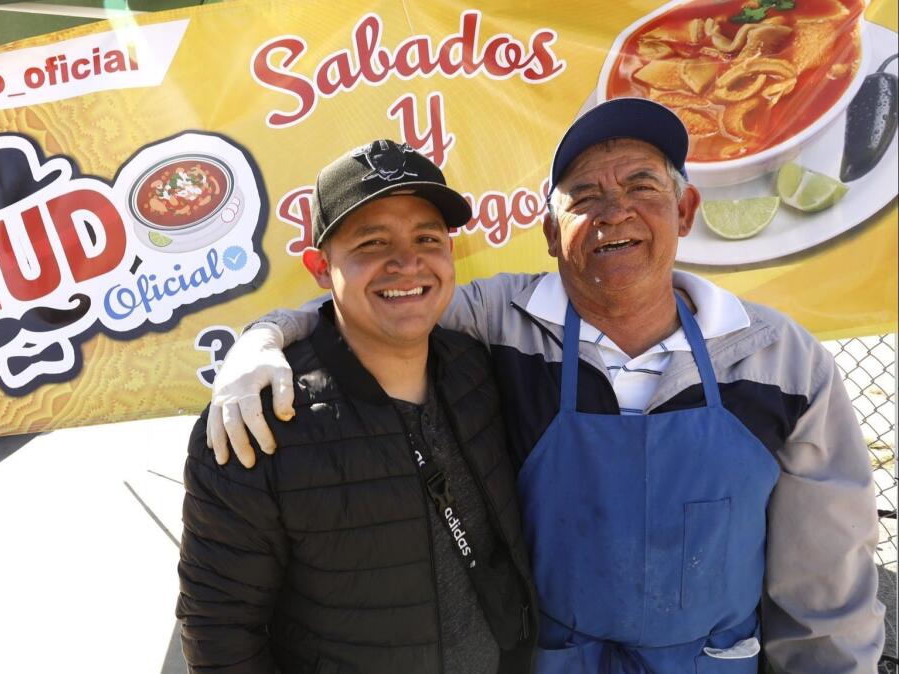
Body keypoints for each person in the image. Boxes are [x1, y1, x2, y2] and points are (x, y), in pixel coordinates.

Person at [204, 100, 886, 673]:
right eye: (585, 196)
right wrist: (259, 342)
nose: (615, 212)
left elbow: (827, 580)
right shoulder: (498, 325)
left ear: (686, 210)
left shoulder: (779, 360)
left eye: (643, 187)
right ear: (552, 237)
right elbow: (378, 303)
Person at [177, 140, 539, 673]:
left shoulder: (479, 371)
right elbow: (218, 629)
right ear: (321, 268)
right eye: (371, 243)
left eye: (427, 238)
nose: (406, 262)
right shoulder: (256, 419)